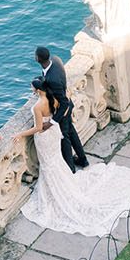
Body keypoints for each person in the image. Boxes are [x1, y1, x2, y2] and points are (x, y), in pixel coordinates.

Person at [14, 79, 130, 235]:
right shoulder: (52, 99)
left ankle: (55, 192)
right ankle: (62, 185)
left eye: (32, 87)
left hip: (44, 138)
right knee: (56, 161)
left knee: (49, 164)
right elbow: (64, 110)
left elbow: (38, 128)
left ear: (37, 90)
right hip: (54, 133)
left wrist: (20, 133)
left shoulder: (37, 107)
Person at [34, 45, 89, 173]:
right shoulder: (56, 60)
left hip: (62, 110)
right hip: (66, 103)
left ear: (37, 59)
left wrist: (52, 122)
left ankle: (70, 169)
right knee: (71, 132)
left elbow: (63, 102)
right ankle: (83, 159)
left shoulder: (52, 79)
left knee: (65, 138)